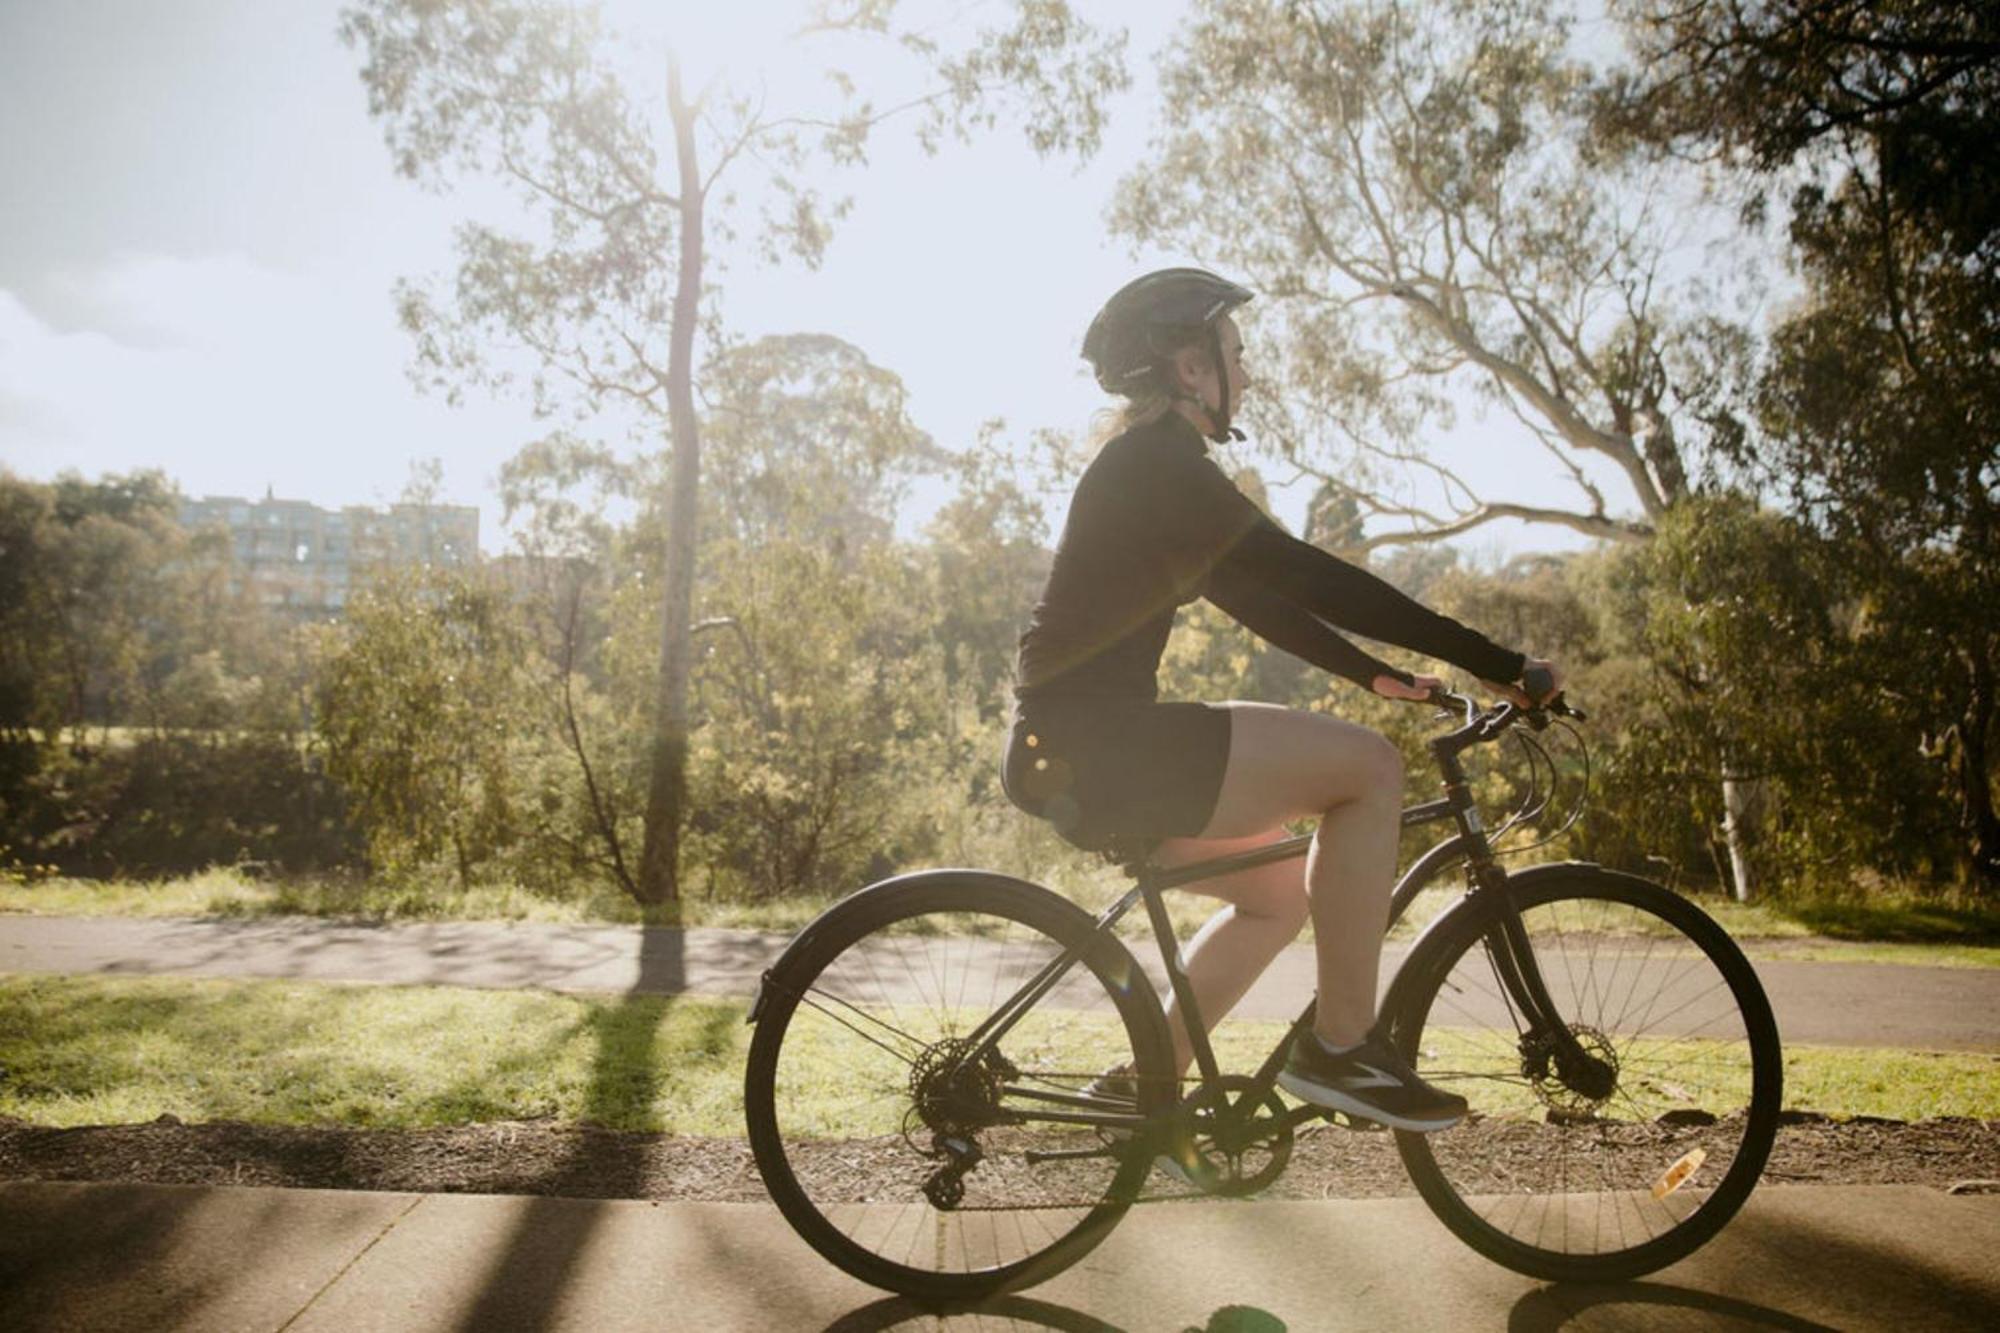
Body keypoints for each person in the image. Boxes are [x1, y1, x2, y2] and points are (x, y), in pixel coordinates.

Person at [1001, 267, 1562, 1134]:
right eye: (1236, 352)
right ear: (1192, 368)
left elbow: (1258, 597)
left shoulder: (1152, 471)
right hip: (1100, 745)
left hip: (1075, 748)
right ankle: (1342, 1048)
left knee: (1275, 893)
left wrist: (1367, 672)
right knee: (1371, 770)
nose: (1248, 370)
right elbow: (1309, 576)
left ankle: (1139, 1085)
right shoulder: (1159, 468)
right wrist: (1497, 660)